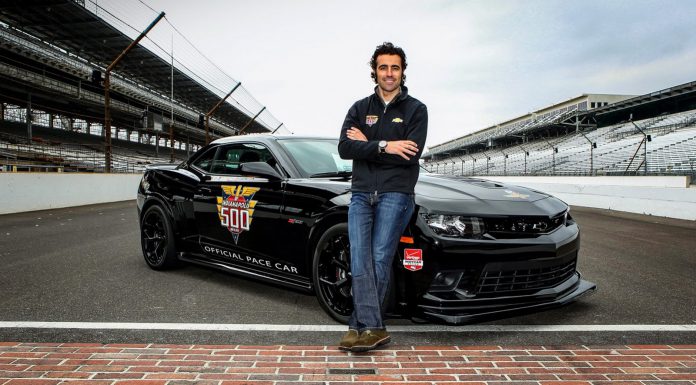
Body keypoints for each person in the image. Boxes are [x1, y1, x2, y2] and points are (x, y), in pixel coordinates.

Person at [337, 42, 428, 352]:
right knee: (360, 259)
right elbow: (345, 149)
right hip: (362, 194)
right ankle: (371, 327)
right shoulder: (358, 109)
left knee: (378, 258)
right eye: (383, 67)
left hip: (396, 194)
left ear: (403, 72)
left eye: (395, 67)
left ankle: (358, 325)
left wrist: (371, 143)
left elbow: (409, 155)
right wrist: (386, 146)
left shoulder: (416, 109)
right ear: (374, 71)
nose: (389, 73)